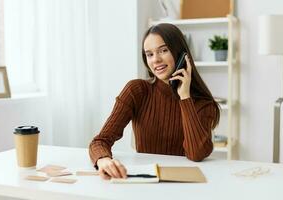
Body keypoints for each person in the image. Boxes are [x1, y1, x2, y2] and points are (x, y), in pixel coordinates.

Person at [89, 23, 220, 180]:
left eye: (163, 50)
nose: (156, 60)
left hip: (184, 185)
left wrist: (185, 97)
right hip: (145, 181)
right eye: (149, 54)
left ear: (181, 54)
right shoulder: (137, 91)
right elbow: (100, 141)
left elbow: (196, 154)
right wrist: (103, 160)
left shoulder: (203, 104)